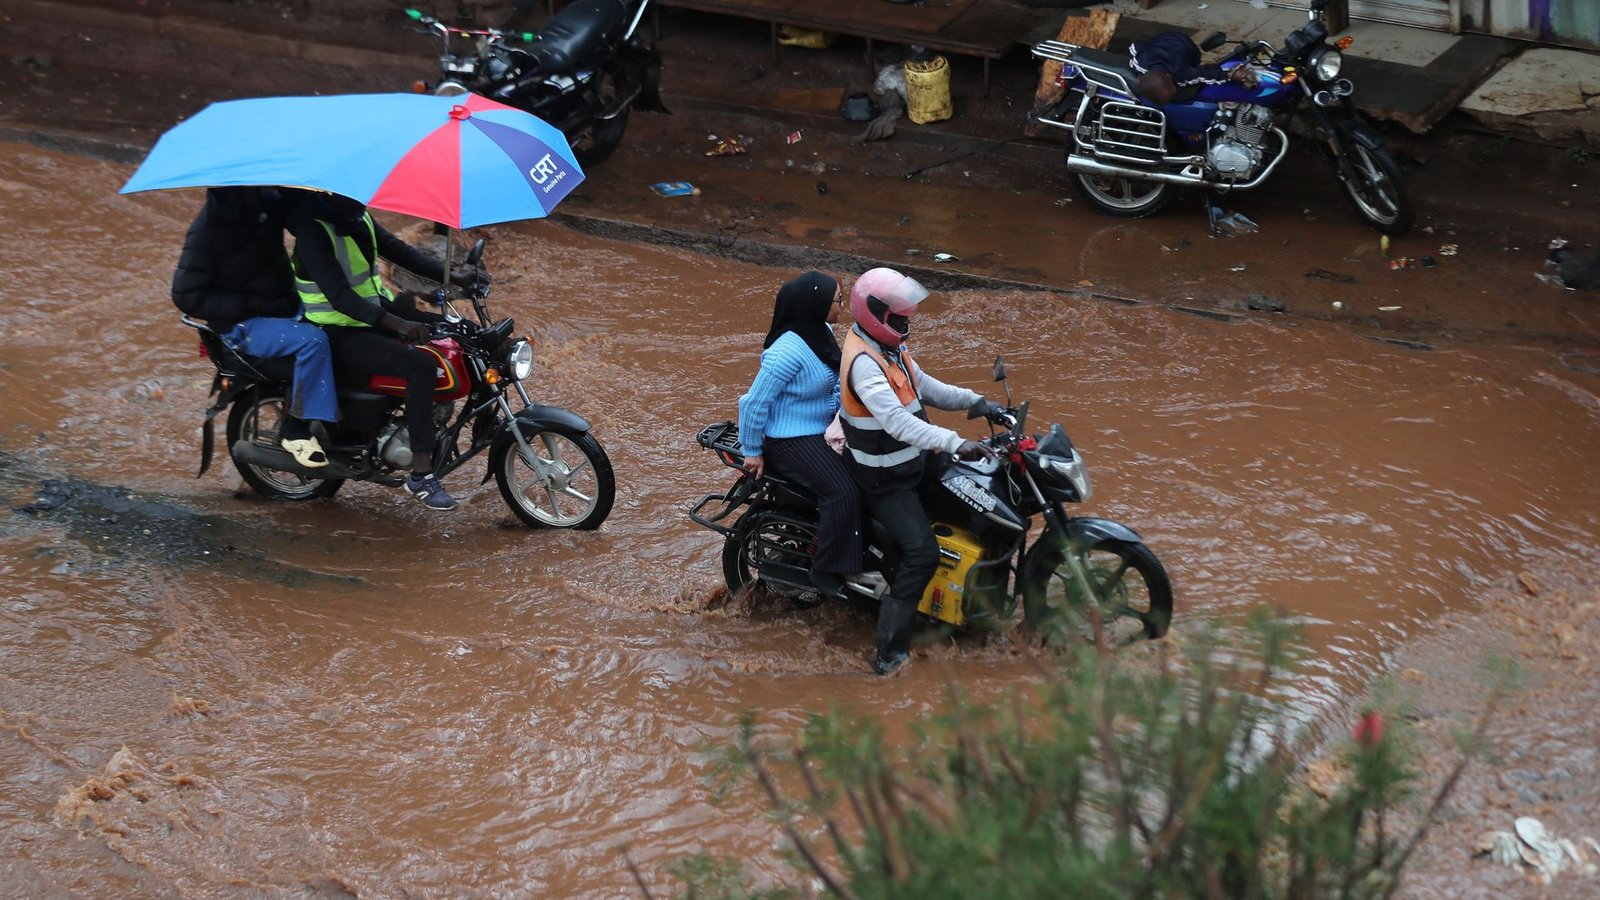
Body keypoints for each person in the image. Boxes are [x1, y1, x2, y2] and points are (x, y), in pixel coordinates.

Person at [837, 267, 1004, 676]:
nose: (906, 322)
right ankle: (890, 654)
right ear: (876, 314)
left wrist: (978, 402)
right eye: (898, 316)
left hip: (913, 461)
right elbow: (896, 421)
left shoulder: (888, 347)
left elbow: (924, 385)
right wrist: (954, 441)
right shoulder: (863, 362)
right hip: (885, 478)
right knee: (922, 553)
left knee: (977, 502)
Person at [286, 191, 475, 510]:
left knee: (459, 331)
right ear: (331, 193)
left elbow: (400, 252)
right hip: (335, 330)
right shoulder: (313, 231)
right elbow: (340, 297)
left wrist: (456, 276)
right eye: (354, 194)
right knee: (421, 366)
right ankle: (421, 474)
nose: (363, 200)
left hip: (370, 315)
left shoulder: (357, 218)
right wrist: (397, 325)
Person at [172, 186, 336, 468]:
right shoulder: (206, 232)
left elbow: (299, 219)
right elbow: (185, 295)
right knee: (314, 341)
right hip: (242, 325)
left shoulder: (263, 200)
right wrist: (248, 303)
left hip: (284, 306)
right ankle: (294, 427)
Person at [737, 271, 863, 598]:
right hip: (788, 439)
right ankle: (827, 570)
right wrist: (752, 449)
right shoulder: (787, 351)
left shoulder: (820, 332)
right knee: (843, 491)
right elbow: (753, 404)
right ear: (815, 304)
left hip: (820, 427)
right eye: (837, 300)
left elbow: (833, 383)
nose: (841, 307)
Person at [1129, 30, 1257, 106]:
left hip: (1186, 46)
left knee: (1195, 62)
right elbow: (1135, 45)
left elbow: (1204, 72)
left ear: (1169, 76)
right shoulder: (1142, 62)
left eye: (1175, 91)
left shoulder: (1179, 74)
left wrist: (1231, 75)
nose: (1177, 89)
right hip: (1164, 39)